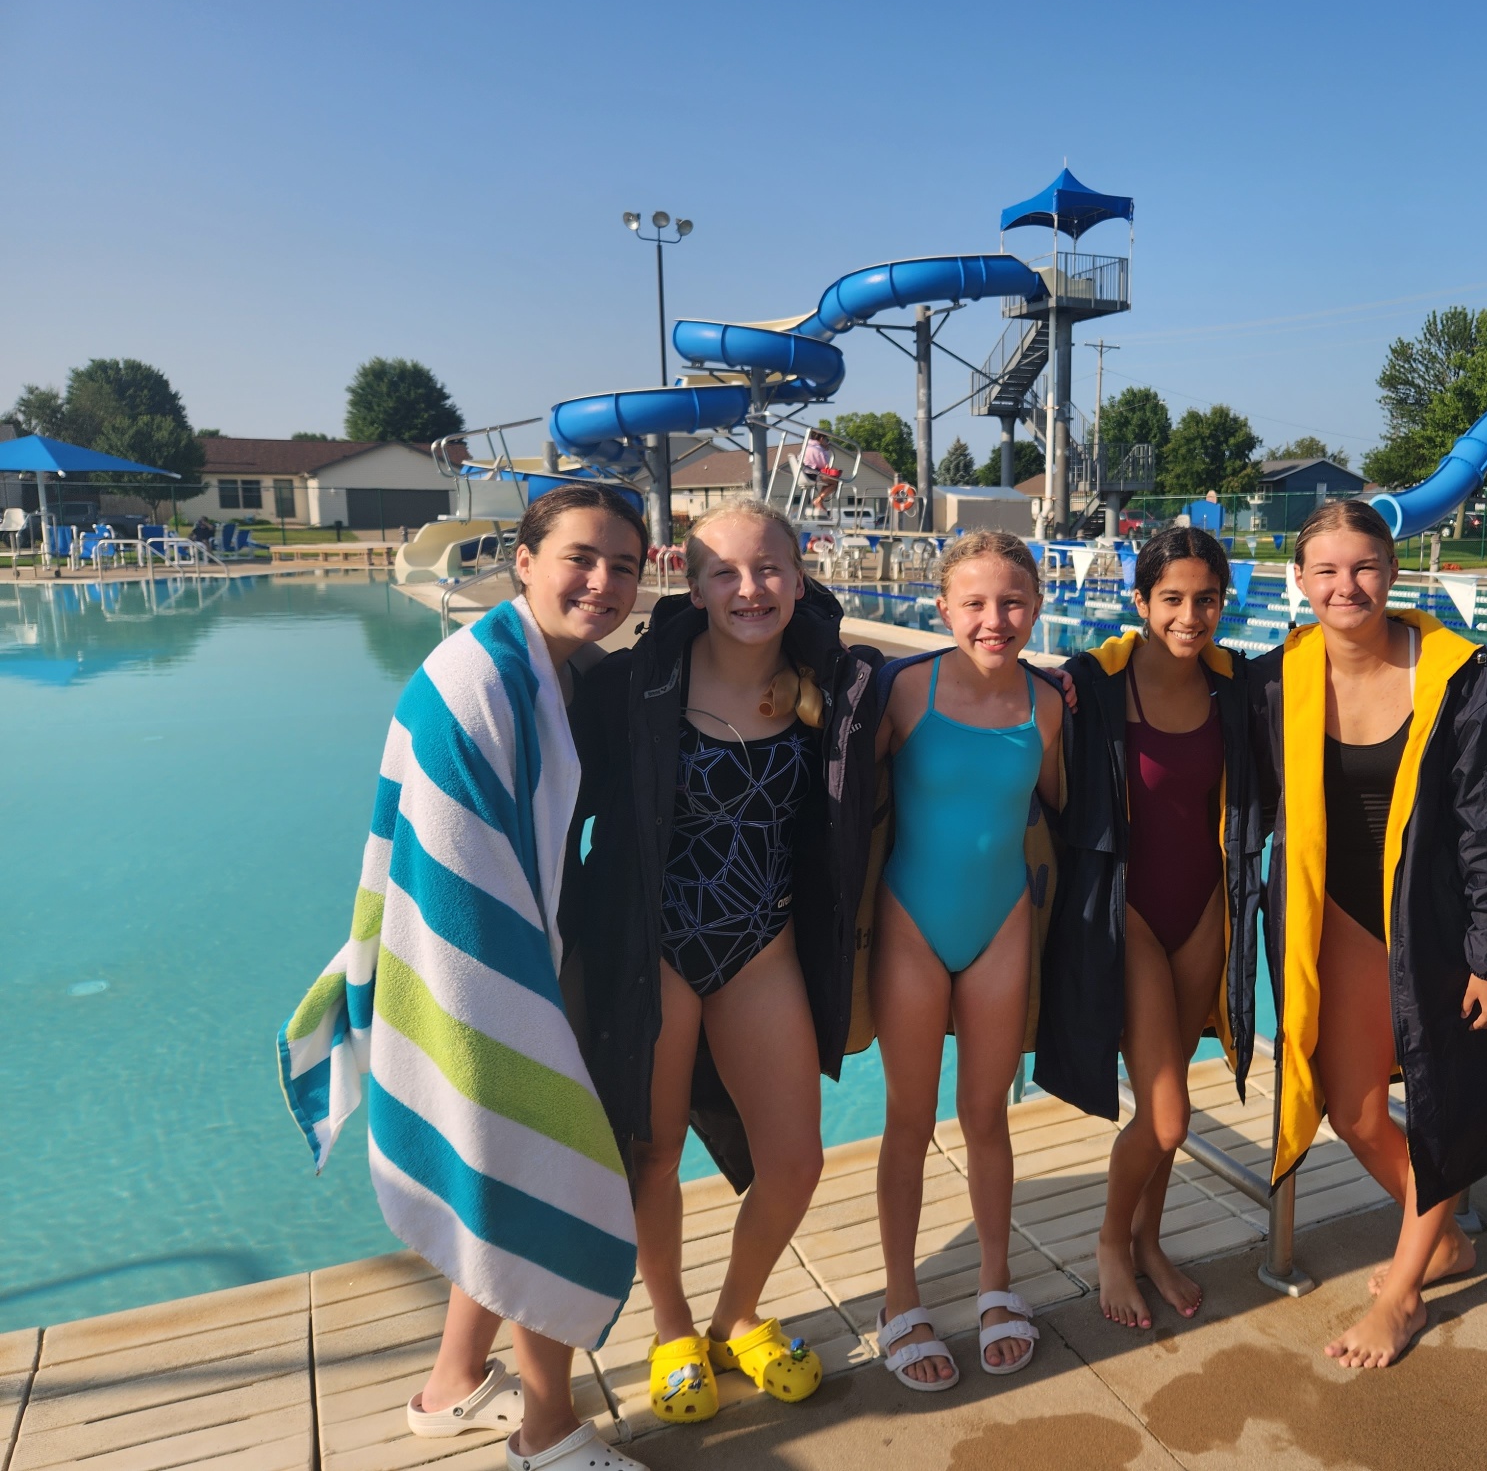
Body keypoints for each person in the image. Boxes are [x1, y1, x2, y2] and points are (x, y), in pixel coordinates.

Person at [279, 483, 650, 1471]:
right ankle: (547, 1431)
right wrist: (518, 1013)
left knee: (492, 1182)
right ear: (523, 560)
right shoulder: (471, 681)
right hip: (479, 976)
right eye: (582, 556)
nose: (604, 581)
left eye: (624, 564)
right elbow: (450, 875)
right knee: (534, 1169)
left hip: (517, 958)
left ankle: (449, 1391)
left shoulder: (561, 674)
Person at [561, 497, 883, 1426]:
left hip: (761, 945)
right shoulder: (639, 686)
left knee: (795, 1161)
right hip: (655, 949)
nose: (750, 590)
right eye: (726, 574)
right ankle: (671, 1329)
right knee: (651, 1152)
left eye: (770, 569)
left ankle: (737, 1313)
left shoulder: (836, 686)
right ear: (692, 584)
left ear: (802, 571)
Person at [1251, 500, 1487, 1370]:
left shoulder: (1457, 677)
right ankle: (1446, 1238)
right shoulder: (1278, 679)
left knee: (1441, 1109)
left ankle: (1409, 1291)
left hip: (1443, 922)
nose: (1349, 586)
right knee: (1349, 1108)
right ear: (1300, 583)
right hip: (1339, 916)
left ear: (1393, 573)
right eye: (1329, 571)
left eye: (1367, 567)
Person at [1042, 526, 1263, 1329]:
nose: (1191, 614)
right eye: (1172, 598)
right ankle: (1110, 1241)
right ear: (1141, 603)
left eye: (1207, 599)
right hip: (1129, 910)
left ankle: (1150, 1241)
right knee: (1167, 1114)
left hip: (1205, 908)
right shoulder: (1092, 685)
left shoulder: (1236, 685)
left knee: (1170, 1103)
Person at [869, 530, 1064, 1390]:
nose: (996, 619)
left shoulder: (1049, 704)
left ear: (1037, 606)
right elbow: (845, 801)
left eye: (1013, 602)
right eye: (976, 603)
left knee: (987, 1116)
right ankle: (899, 1298)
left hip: (1002, 924)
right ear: (942, 607)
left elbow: (1061, 813)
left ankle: (995, 1283)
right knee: (909, 1118)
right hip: (911, 923)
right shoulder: (906, 690)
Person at [802, 431, 839, 518]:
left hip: (804, 473)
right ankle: (818, 500)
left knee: (828, 481)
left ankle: (819, 501)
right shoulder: (818, 449)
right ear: (822, 439)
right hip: (812, 474)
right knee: (835, 482)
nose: (827, 442)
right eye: (827, 440)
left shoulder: (807, 446)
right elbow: (825, 467)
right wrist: (826, 450)